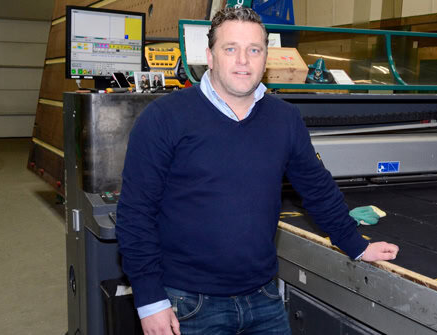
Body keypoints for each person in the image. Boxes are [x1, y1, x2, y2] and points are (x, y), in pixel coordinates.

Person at [116, 7, 399, 335]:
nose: (243, 60)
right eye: (230, 48)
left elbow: (316, 187)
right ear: (210, 56)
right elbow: (135, 213)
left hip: (263, 298)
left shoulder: (284, 119)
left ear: (266, 58)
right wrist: (150, 300)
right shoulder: (164, 118)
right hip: (187, 304)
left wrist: (356, 243)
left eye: (254, 50)